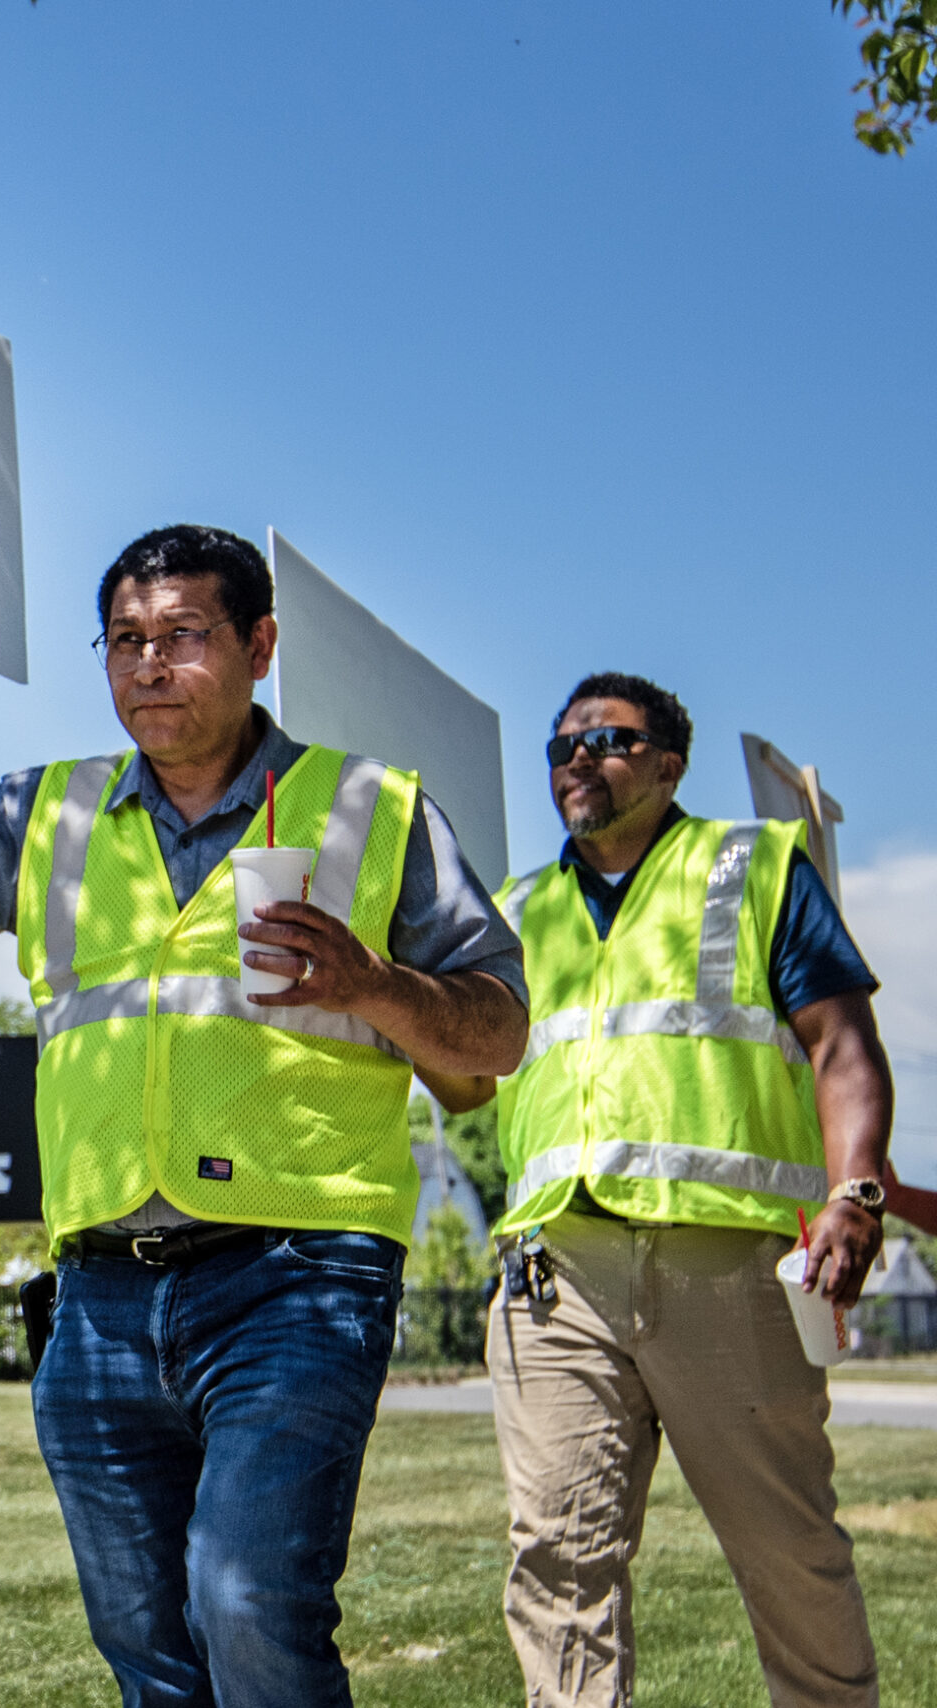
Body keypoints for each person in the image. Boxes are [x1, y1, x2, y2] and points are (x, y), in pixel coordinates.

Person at [0, 524, 528, 1707]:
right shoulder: (49, 816)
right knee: (146, 1650)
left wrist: (372, 983)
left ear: (260, 645)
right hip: (96, 1294)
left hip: (298, 1276)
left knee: (247, 1606)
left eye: (183, 635)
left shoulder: (372, 808)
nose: (150, 664)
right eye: (126, 640)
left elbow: (496, 1034)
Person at [473, 672, 891, 1708]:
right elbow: (462, 1071)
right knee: (557, 1567)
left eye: (606, 740)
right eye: (561, 746)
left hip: (731, 1272)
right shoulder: (514, 911)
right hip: (552, 1278)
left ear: (667, 762)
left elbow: (841, 1043)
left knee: (788, 1555)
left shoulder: (753, 867)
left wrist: (858, 1192)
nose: (577, 758)